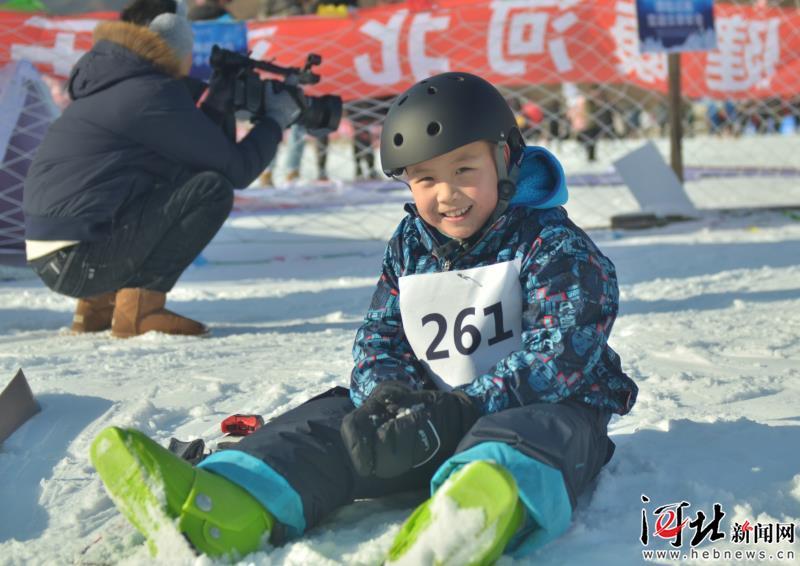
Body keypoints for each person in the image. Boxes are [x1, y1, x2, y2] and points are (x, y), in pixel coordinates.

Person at [89, 73, 638, 562]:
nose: (447, 194)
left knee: (540, 429)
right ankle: (233, 496)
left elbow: (560, 352)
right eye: (425, 179)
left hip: (530, 410)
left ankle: (476, 511)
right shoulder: (411, 245)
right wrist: (387, 397)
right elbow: (381, 332)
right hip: (424, 415)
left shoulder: (554, 245)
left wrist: (463, 407)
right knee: (333, 418)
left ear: (505, 162)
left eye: (464, 169)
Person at [23, 8, 300, 337]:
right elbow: (236, 169)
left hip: (55, 253)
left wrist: (220, 97)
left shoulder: (113, 81)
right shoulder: (151, 92)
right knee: (211, 189)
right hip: (79, 260)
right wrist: (274, 120)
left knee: (169, 177)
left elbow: (193, 150)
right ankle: (140, 310)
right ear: (179, 55)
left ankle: (96, 306)